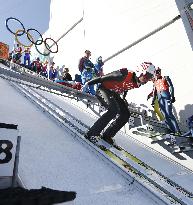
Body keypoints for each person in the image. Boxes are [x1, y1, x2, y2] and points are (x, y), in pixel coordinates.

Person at [82, 62, 156, 145]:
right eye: (147, 76)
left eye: (149, 78)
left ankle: (107, 135)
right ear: (140, 72)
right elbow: (103, 78)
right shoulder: (125, 73)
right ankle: (91, 134)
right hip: (103, 89)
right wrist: (88, 83)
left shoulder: (137, 83)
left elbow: (125, 87)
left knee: (126, 114)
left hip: (114, 93)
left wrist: (123, 98)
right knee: (113, 110)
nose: (147, 80)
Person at [147, 67, 181, 135]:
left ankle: (177, 131)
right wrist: (152, 98)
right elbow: (154, 91)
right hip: (160, 99)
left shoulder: (165, 78)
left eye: (158, 71)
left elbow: (171, 86)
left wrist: (172, 96)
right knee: (164, 114)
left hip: (166, 97)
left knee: (169, 113)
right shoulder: (155, 81)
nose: (157, 73)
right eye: (156, 72)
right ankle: (171, 129)